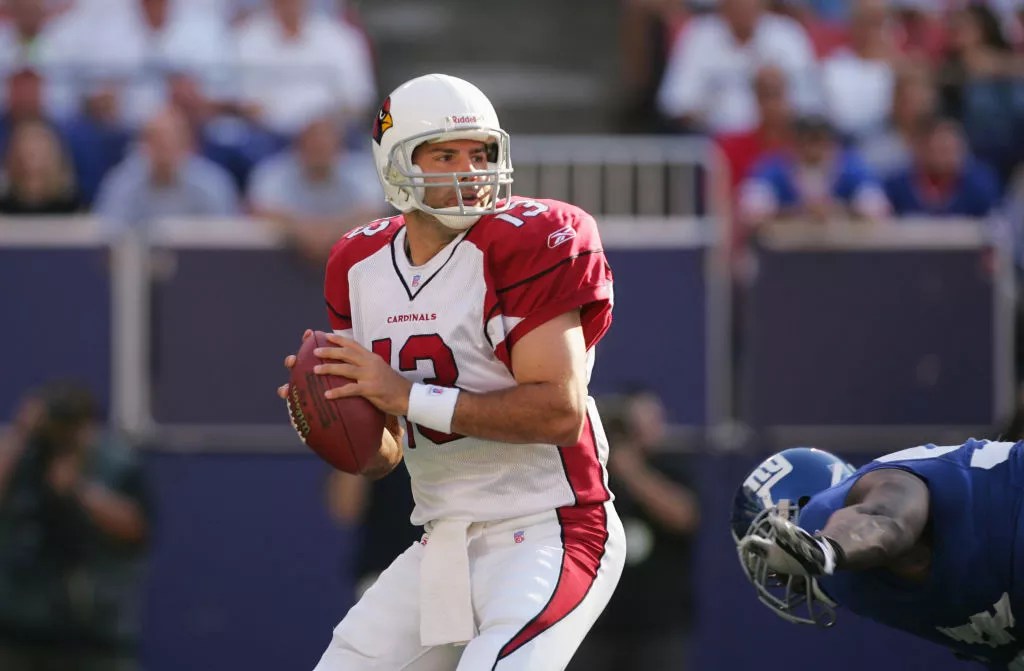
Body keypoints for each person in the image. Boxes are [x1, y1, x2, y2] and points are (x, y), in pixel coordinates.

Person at [276, 73, 625, 670]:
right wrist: (335, 417)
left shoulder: (533, 240)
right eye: (445, 154)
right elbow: (385, 454)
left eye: (481, 152)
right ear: (396, 165)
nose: (471, 170)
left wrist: (407, 396)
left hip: (550, 529)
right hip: (442, 540)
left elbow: (560, 413)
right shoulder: (358, 264)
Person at [731, 441, 1024, 669]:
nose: (780, 578)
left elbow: (886, 518)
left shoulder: (831, 508)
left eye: (771, 553)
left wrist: (828, 548)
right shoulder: (857, 589)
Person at [0, 381, 152, 671]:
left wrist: (78, 489)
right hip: (14, 630)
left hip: (93, 635)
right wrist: (20, 436)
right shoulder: (19, 457)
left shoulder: (115, 464)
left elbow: (136, 529)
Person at [568, 390, 699, 671]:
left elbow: (684, 517)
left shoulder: (671, 467)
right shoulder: (594, 473)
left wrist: (633, 470)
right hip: (595, 625)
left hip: (658, 626)